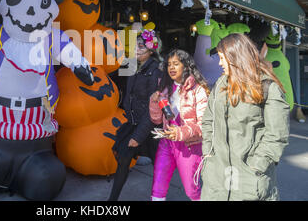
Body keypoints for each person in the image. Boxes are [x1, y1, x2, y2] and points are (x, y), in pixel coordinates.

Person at [200, 33, 290, 201]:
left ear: (236, 57)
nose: (219, 63)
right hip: (216, 175)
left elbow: (277, 135)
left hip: (250, 179)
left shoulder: (267, 87)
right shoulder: (220, 84)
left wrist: (257, 165)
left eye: (222, 58)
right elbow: (208, 120)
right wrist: (208, 153)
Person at [107, 29, 163, 201]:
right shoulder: (132, 65)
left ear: (151, 51)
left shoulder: (157, 72)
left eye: (141, 47)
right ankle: (112, 201)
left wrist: (138, 136)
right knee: (123, 159)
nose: (137, 49)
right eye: (136, 45)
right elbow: (116, 78)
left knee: (160, 168)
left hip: (151, 126)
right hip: (134, 122)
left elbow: (153, 109)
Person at [149, 49, 209, 201]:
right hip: (167, 143)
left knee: (191, 190)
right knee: (158, 186)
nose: (171, 68)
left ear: (186, 66)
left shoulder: (199, 90)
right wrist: (154, 103)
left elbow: (204, 126)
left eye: (176, 64)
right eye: (169, 64)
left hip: (189, 146)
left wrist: (180, 132)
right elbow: (156, 120)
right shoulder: (165, 88)